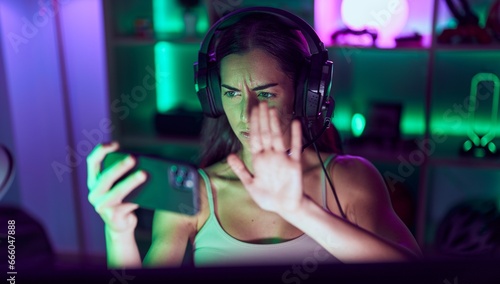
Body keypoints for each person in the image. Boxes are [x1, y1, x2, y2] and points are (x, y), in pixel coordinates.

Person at [87, 8, 422, 268]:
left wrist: (300, 210)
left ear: (305, 95)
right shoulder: (194, 194)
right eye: (231, 93)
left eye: (265, 94)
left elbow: (415, 282)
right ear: (214, 98)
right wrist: (117, 233)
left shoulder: (351, 179)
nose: (246, 113)